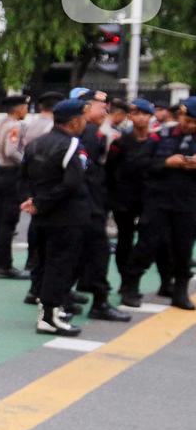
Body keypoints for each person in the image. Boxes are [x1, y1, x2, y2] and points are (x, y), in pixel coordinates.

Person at [21, 99, 90, 335]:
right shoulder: (71, 144)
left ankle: (52, 310)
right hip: (66, 215)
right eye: (83, 118)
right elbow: (73, 182)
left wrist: (36, 201)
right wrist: (42, 202)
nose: (85, 122)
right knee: (59, 266)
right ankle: (49, 317)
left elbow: (26, 176)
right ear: (74, 121)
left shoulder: (35, 144)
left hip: (42, 216)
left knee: (45, 264)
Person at [120, 97, 196, 310]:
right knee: (147, 244)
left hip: (187, 204)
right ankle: (130, 288)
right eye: (185, 119)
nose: (187, 124)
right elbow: (139, 164)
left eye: (192, 121)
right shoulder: (160, 136)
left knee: (183, 250)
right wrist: (166, 163)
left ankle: (179, 292)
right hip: (158, 201)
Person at [73, 90, 131, 322]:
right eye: (101, 105)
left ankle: (68, 295)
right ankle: (99, 301)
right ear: (86, 108)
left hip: (92, 200)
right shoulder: (88, 133)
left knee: (80, 252)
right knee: (97, 252)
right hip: (89, 202)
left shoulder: (91, 131)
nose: (106, 109)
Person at [106, 98, 156, 298]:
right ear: (130, 116)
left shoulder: (156, 142)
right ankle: (127, 281)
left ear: (150, 117)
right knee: (125, 240)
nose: (140, 118)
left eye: (144, 114)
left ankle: (134, 275)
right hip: (124, 198)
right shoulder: (120, 142)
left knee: (150, 240)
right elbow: (110, 169)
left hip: (149, 199)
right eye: (135, 113)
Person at [0, 95, 30, 279]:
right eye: (25, 107)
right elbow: (12, 151)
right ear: (18, 109)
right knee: (8, 223)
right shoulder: (15, 125)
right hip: (11, 174)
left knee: (0, 223)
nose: (26, 110)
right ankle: (5, 266)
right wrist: (27, 162)